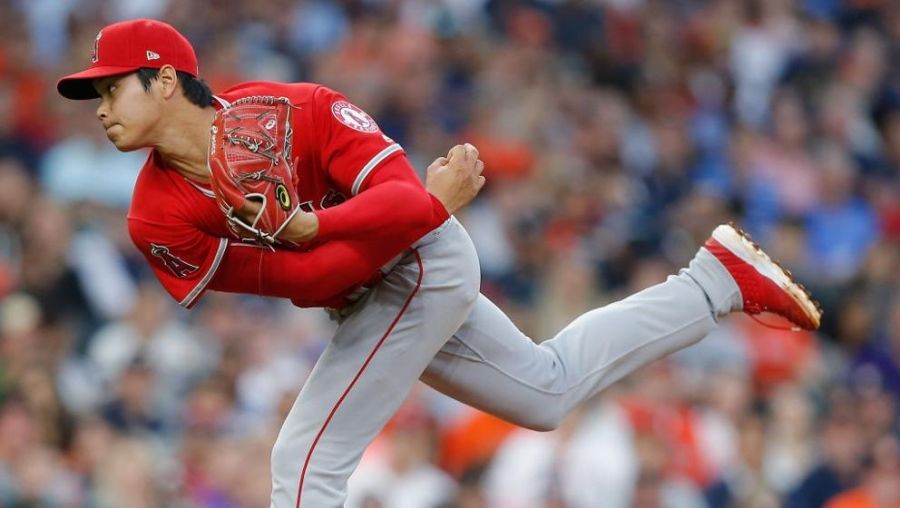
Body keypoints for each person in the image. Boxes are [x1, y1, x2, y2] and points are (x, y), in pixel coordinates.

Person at [57, 19, 821, 508]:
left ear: (164, 78)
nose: (98, 105)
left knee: (303, 458)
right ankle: (713, 284)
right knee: (545, 393)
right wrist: (395, 212)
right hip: (371, 279)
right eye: (92, 93)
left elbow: (397, 202)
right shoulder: (154, 214)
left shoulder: (299, 107)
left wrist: (331, 221)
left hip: (425, 259)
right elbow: (304, 278)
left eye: (110, 86)